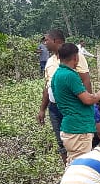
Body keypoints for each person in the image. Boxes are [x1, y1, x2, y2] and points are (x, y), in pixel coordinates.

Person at [37, 29, 96, 164]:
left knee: (79, 139)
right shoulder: (50, 61)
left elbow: (86, 80)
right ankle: (70, 170)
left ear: (56, 40)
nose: (45, 43)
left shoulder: (76, 57)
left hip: (74, 106)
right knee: (63, 143)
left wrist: (89, 104)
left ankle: (80, 169)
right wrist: (42, 109)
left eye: (47, 40)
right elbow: (47, 87)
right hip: (55, 108)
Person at [52, 43, 100, 161]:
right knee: (81, 165)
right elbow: (87, 99)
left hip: (71, 128)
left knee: (73, 164)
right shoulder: (70, 75)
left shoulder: (57, 74)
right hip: (78, 129)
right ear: (75, 57)